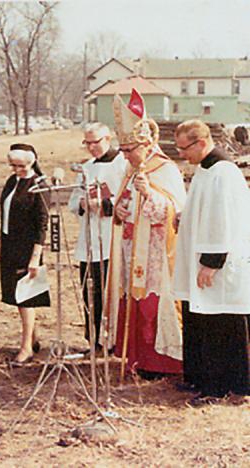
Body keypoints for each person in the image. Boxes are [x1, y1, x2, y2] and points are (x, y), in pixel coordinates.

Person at [105, 88, 186, 377]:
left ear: (145, 144)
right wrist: (120, 210)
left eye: (129, 150)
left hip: (156, 253)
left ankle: (161, 362)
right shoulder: (130, 168)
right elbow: (122, 203)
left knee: (152, 301)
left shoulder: (165, 168)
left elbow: (176, 210)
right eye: (123, 151)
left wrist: (150, 194)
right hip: (131, 248)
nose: (125, 156)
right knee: (134, 301)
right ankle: (136, 357)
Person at [173, 119, 250, 403]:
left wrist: (212, 261)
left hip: (219, 263)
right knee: (202, 321)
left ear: (202, 142)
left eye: (184, 148)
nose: (182, 154)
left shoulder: (223, 173)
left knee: (221, 325)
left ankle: (220, 387)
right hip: (204, 259)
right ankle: (201, 378)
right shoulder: (206, 170)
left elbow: (225, 220)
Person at [68, 123, 127, 349]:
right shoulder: (87, 167)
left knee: (110, 290)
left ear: (108, 138)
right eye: (87, 143)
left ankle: (114, 339)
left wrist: (103, 204)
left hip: (112, 236)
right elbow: (74, 199)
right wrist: (83, 203)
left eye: (96, 142)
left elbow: (127, 200)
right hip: (90, 238)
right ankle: (94, 340)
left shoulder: (122, 164)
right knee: (90, 292)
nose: (91, 147)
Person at [0, 144, 50, 365]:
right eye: (13, 166)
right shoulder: (11, 182)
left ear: (31, 162)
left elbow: (42, 225)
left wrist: (35, 257)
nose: (16, 170)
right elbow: (5, 213)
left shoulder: (39, 185)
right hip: (9, 244)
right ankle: (33, 337)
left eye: (21, 166)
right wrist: (0, 241)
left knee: (26, 297)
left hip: (28, 248)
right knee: (17, 297)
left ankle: (26, 347)